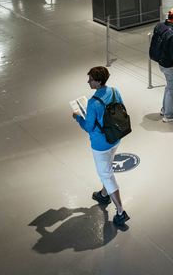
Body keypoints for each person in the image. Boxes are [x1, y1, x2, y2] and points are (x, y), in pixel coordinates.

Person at [72, 66, 130, 226]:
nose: (88, 82)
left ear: (98, 82)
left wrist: (78, 117)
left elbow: (89, 127)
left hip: (100, 144)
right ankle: (104, 194)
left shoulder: (92, 103)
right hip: (115, 138)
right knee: (108, 167)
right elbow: (122, 108)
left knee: (105, 174)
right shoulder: (114, 91)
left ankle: (120, 211)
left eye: (91, 79)